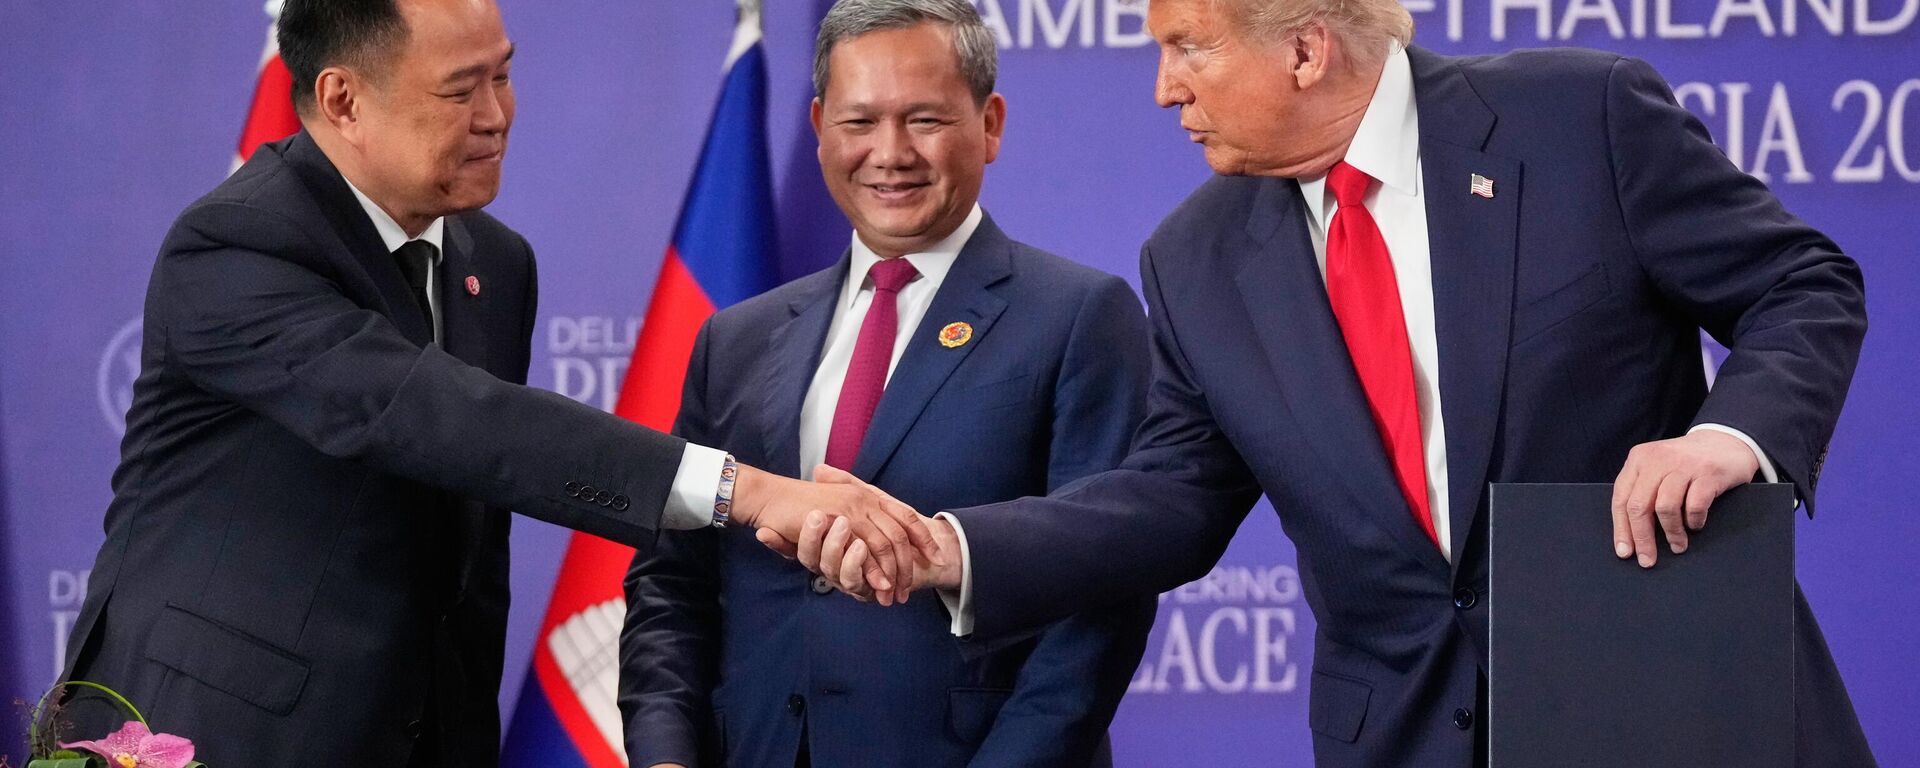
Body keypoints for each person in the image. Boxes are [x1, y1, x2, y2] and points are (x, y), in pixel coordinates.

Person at [796, 0, 1878, 765]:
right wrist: (954, 548)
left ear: (1306, 50)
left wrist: (1731, 436)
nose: (1165, 87)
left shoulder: (1578, 118)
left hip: (1667, 699)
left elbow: (1801, 284)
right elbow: (1173, 497)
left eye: (1187, 47)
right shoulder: (1195, 257)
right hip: (1406, 735)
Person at [57, 1, 932, 766]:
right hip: (213, 733)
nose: (497, 115)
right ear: (343, 100)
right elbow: (447, 421)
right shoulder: (237, 244)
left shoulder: (493, 261)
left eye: (503, 76)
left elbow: (471, 540)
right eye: (459, 91)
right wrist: (749, 490)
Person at [618, 2, 1155, 766]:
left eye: (924, 119)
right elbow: (673, 585)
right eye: (860, 121)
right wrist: (666, 754)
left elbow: (1100, 601)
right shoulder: (733, 340)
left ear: (990, 123)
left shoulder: (1079, 317)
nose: (890, 153)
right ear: (818, 127)